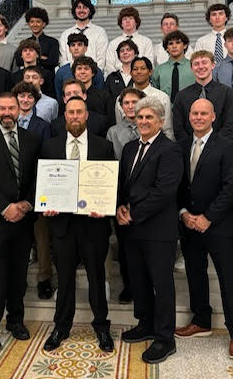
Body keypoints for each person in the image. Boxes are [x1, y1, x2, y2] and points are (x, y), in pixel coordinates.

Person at [41, 96, 116, 353]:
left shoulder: (103, 146)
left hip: (93, 225)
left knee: (97, 277)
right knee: (65, 278)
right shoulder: (50, 146)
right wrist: (45, 204)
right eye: (70, 112)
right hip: (62, 225)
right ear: (65, 116)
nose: (75, 116)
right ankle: (61, 326)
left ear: (87, 115)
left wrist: (104, 207)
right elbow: (44, 184)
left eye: (79, 112)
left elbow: (111, 186)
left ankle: (102, 327)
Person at [174, 99, 233, 360]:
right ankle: (201, 320)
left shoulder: (228, 146)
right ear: (188, 116)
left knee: (229, 279)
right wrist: (183, 214)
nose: (198, 117)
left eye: (204, 113)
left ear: (214, 116)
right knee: (195, 274)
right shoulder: (181, 146)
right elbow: (178, 185)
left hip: (219, 226)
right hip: (189, 224)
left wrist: (208, 217)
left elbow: (231, 187)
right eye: (194, 113)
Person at [117, 96, 183, 364]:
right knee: (138, 280)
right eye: (140, 117)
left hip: (158, 230)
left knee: (162, 283)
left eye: (149, 118)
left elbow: (164, 191)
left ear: (161, 120)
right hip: (131, 229)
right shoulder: (131, 148)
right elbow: (124, 184)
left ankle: (165, 337)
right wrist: (120, 207)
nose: (143, 121)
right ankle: (145, 323)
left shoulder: (170, 150)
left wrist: (134, 213)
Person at [0, 93, 41, 351]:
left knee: (19, 275)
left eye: (11, 107)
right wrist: (5, 207)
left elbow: (38, 176)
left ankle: (16, 321)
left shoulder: (32, 139)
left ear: (19, 110)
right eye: (2, 108)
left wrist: (26, 204)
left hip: (23, 220)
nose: (7, 112)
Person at [13, 81, 53, 299]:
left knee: (42, 237)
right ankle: (17, 278)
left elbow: (45, 158)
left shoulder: (43, 126)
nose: (25, 100)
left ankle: (44, 278)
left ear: (35, 100)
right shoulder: (7, 123)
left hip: (38, 188)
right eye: (21, 96)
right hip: (12, 191)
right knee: (18, 238)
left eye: (29, 97)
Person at [105, 87, 146, 304]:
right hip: (122, 195)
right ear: (121, 107)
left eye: (134, 102)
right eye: (126, 103)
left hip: (147, 197)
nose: (130, 106)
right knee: (125, 246)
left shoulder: (149, 127)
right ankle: (129, 285)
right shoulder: (113, 132)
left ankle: (147, 287)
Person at [173, 50, 233, 142]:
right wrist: (192, 145)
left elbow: (230, 125)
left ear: (213, 65)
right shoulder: (181, 96)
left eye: (204, 62)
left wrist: (211, 145)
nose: (200, 67)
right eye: (196, 64)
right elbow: (178, 127)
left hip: (220, 148)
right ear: (191, 68)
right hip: (190, 149)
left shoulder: (227, 93)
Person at [115, 57, 173, 140]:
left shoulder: (162, 97)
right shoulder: (121, 98)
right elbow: (119, 128)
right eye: (135, 69)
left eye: (143, 68)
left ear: (150, 72)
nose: (139, 72)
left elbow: (167, 129)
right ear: (131, 73)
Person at [59, 0, 109, 70]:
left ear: (90, 11)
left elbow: (102, 59)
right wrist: (73, 72)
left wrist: (91, 73)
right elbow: (63, 59)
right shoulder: (66, 34)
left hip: (93, 75)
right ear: (74, 11)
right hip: (70, 76)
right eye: (79, 7)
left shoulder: (100, 32)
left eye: (85, 7)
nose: (81, 10)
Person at [54, 33, 105, 102]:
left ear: (86, 48)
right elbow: (59, 97)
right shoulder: (61, 72)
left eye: (79, 44)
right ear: (69, 49)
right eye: (73, 45)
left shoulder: (96, 70)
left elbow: (100, 94)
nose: (76, 48)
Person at [106, 7, 154, 74]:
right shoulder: (113, 43)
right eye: (124, 19)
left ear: (136, 22)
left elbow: (149, 63)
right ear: (121, 23)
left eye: (131, 18)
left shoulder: (146, 42)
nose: (127, 21)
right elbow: (109, 65)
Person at [151, 30, 195, 103]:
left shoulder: (193, 67)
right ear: (166, 48)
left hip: (189, 107)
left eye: (178, 42)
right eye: (170, 44)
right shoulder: (159, 69)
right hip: (165, 108)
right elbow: (156, 91)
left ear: (185, 45)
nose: (174, 46)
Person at [14, 7, 59, 74]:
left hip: (47, 78)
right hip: (28, 76)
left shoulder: (53, 42)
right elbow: (18, 61)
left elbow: (53, 62)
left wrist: (30, 59)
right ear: (28, 24)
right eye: (32, 22)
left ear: (43, 24)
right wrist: (41, 58)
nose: (35, 25)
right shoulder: (25, 43)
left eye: (38, 22)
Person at [72, 56, 114, 124]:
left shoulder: (104, 96)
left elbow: (110, 121)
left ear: (93, 73)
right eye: (79, 68)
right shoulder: (68, 96)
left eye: (86, 68)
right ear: (74, 73)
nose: (83, 72)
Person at [104, 39, 136, 106]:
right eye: (122, 51)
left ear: (135, 53)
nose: (125, 52)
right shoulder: (111, 77)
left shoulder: (140, 75)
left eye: (128, 50)